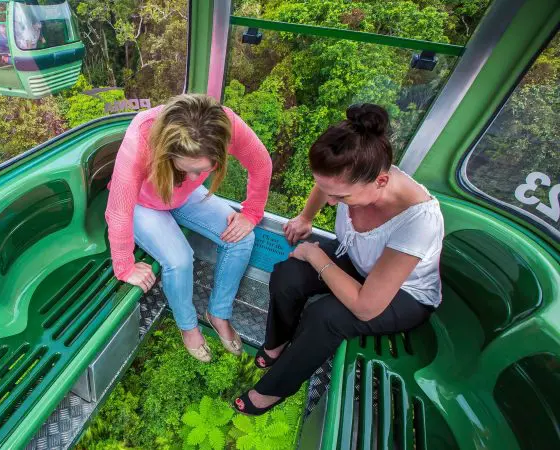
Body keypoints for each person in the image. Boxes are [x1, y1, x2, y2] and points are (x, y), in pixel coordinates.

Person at [234, 104, 444, 415]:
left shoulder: (418, 221)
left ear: (382, 182)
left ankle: (275, 390)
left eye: (341, 198)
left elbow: (366, 306)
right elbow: (326, 186)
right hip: (359, 261)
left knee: (325, 316)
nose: (332, 202)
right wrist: (306, 218)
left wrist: (316, 255)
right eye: (327, 191)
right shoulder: (354, 175)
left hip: (403, 294)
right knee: (288, 275)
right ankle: (276, 343)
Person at [105, 94, 272, 362]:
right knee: (180, 260)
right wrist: (124, 265)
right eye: (187, 168)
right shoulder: (141, 137)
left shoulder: (227, 125)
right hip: (143, 203)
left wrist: (252, 213)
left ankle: (218, 312)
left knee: (242, 238)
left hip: (183, 197)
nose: (196, 177)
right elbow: (118, 209)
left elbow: (261, 162)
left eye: (203, 170)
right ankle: (188, 326)